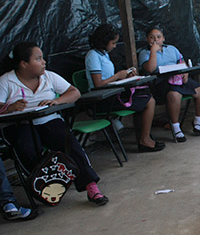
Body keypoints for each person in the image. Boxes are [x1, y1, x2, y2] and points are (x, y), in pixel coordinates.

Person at [0, 42, 108, 206]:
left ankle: (91, 186)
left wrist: (56, 101)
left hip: (48, 120)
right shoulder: (7, 80)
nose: (44, 62)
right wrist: (10, 108)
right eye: (38, 59)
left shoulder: (49, 76)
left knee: (68, 143)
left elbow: (74, 92)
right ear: (24, 64)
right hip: (19, 124)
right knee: (26, 148)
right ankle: (44, 186)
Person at [85, 24, 165, 152]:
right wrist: (117, 75)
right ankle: (144, 140)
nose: (115, 46)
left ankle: (144, 137)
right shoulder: (93, 56)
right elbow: (98, 84)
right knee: (149, 101)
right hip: (102, 99)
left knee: (146, 96)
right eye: (113, 43)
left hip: (112, 93)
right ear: (104, 42)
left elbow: (108, 79)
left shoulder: (103, 54)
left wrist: (125, 76)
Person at [139, 26, 200, 142]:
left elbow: (181, 61)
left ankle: (198, 122)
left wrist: (185, 72)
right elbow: (150, 69)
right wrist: (153, 52)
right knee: (174, 95)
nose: (155, 40)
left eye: (158, 37)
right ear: (147, 40)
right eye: (152, 37)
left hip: (178, 77)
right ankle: (176, 127)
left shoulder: (171, 49)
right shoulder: (144, 53)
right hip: (161, 81)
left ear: (163, 39)